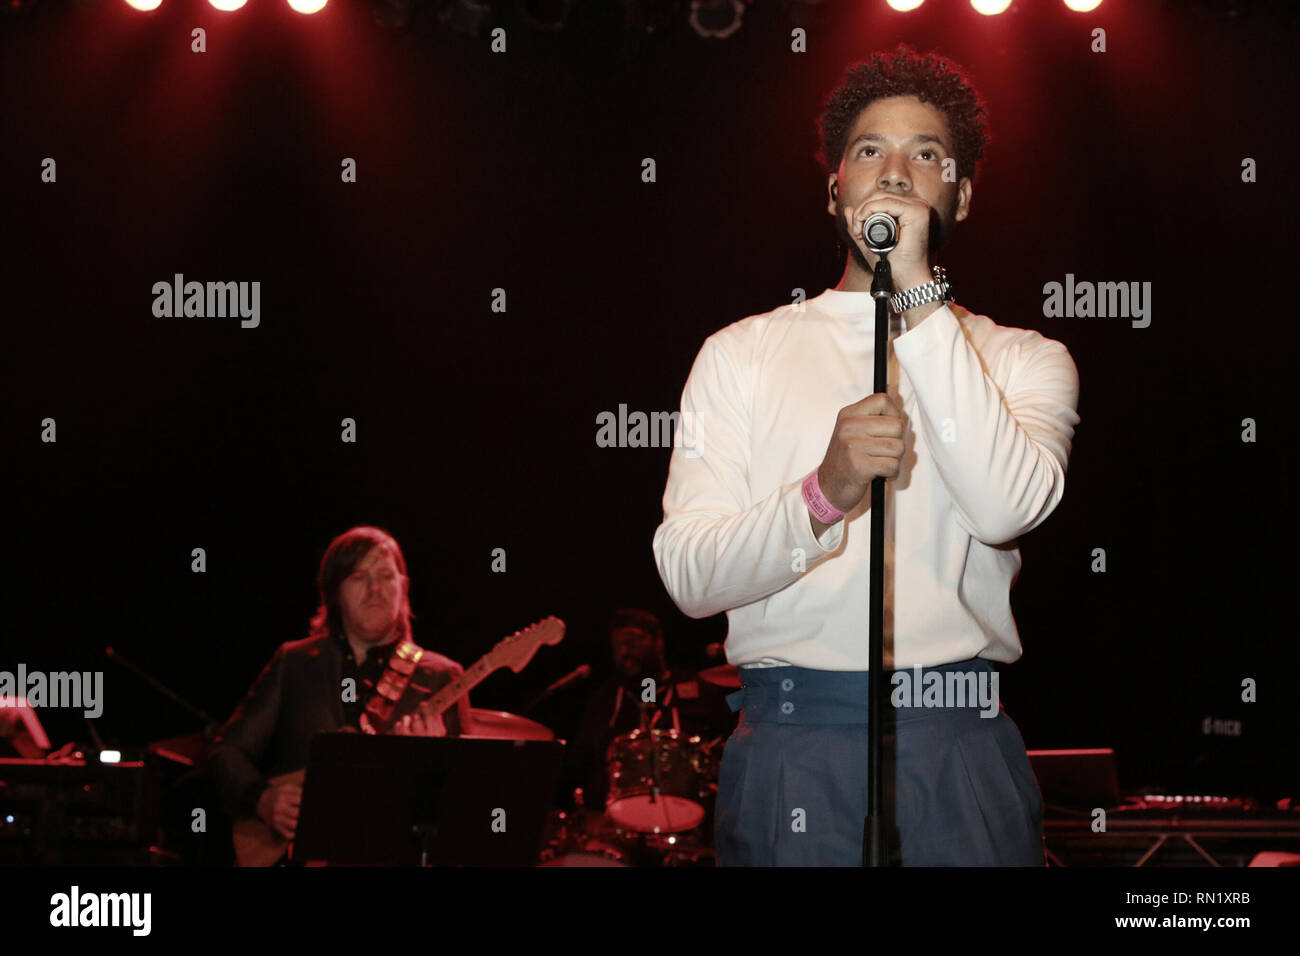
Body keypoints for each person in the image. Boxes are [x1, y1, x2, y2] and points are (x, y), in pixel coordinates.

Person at [651, 45, 1081, 866]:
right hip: (793, 739)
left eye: (927, 155)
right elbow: (690, 576)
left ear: (960, 193)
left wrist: (918, 293)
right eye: (869, 151)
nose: (895, 172)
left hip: (957, 737)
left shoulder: (1025, 359)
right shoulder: (740, 353)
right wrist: (822, 494)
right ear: (834, 189)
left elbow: (1004, 509)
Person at [207, 526, 471, 845]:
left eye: (386, 576)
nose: (375, 589)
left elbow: (464, 807)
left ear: (404, 588)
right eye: (359, 577)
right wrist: (262, 800)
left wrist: (434, 760)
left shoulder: (442, 676)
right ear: (334, 593)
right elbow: (227, 752)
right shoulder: (295, 663)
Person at [565, 608, 736, 813]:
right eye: (619, 645)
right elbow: (581, 760)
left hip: (687, 805)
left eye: (634, 641)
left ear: (658, 642)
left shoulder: (697, 691)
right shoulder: (606, 699)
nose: (625, 650)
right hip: (617, 812)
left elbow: (731, 739)